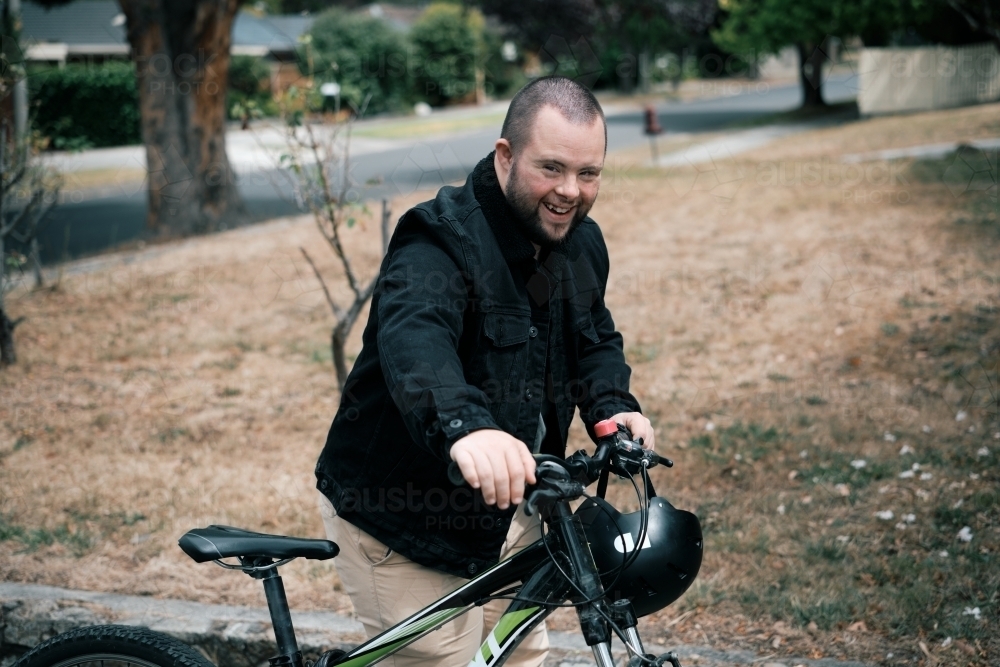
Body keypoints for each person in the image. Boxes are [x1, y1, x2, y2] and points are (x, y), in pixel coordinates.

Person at [314, 76, 654, 667]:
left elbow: (594, 336)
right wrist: (466, 426)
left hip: (514, 518)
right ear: (505, 156)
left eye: (589, 173)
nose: (570, 191)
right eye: (551, 168)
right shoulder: (437, 239)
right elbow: (416, 339)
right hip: (408, 523)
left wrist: (611, 406)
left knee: (518, 660)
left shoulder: (580, 243)